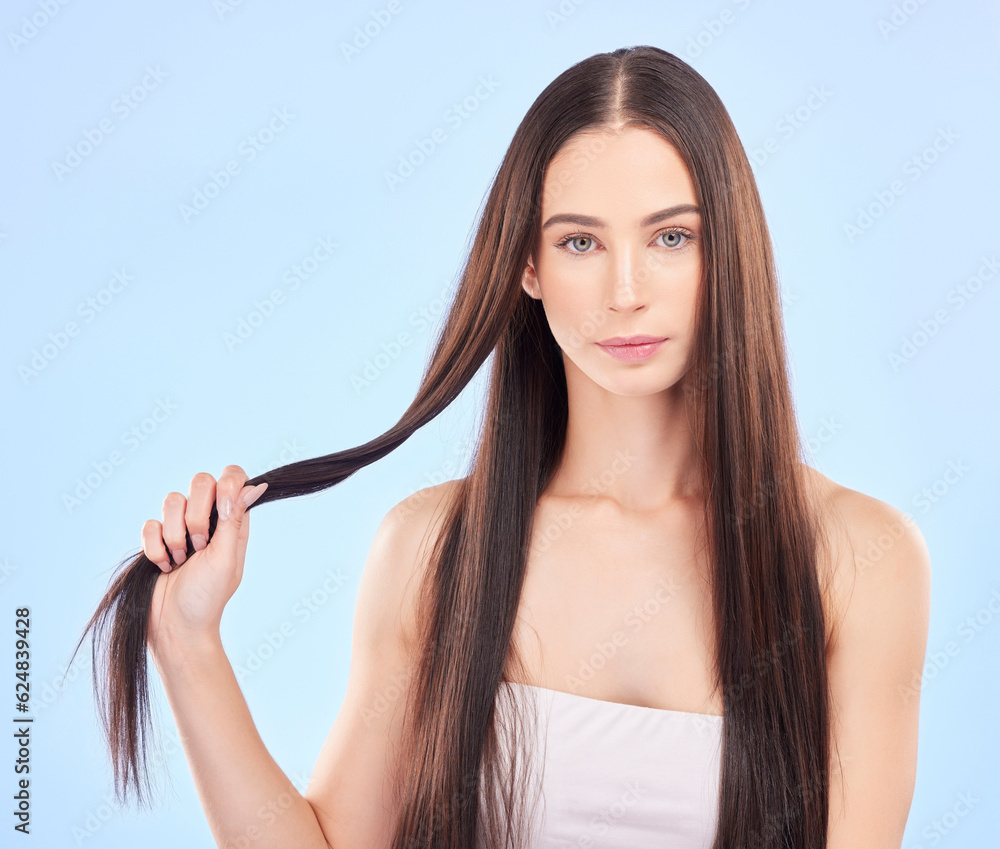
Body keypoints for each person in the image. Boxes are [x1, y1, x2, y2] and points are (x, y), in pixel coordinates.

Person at [74, 45, 931, 848]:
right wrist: (188, 644)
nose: (625, 291)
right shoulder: (431, 548)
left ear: (727, 252)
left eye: (672, 237)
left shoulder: (859, 557)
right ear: (527, 265)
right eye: (580, 242)